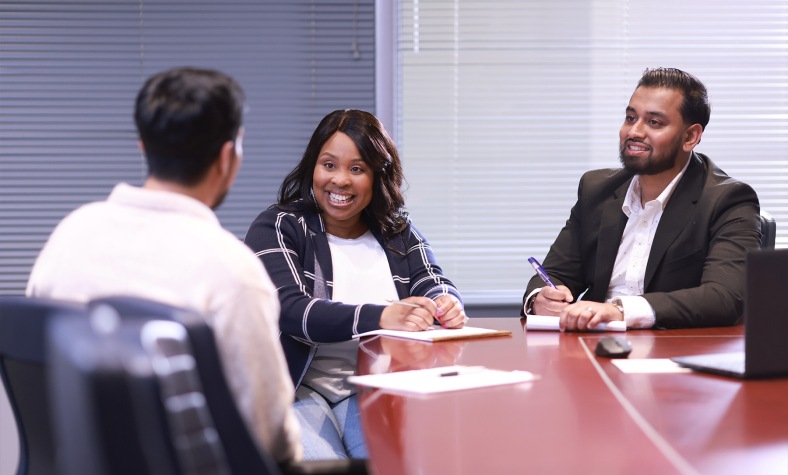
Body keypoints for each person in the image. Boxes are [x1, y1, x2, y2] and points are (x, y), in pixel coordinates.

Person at [26, 67, 301, 462]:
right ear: (227, 156)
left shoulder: (70, 234)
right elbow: (266, 438)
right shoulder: (232, 271)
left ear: (142, 144)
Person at [244, 109, 466, 460]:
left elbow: (432, 279)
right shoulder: (279, 225)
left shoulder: (397, 233)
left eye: (357, 169)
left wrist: (445, 300)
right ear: (312, 167)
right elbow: (289, 310)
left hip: (371, 388)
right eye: (328, 165)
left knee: (395, 463)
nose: (340, 180)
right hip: (296, 390)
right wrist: (382, 316)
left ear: (378, 175)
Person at [522, 68, 761, 332]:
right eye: (630, 118)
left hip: (674, 350)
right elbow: (555, 275)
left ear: (690, 137)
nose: (634, 131)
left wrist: (620, 310)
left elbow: (725, 297)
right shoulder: (596, 189)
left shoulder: (728, 199)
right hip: (593, 346)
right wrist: (541, 300)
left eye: (654, 122)